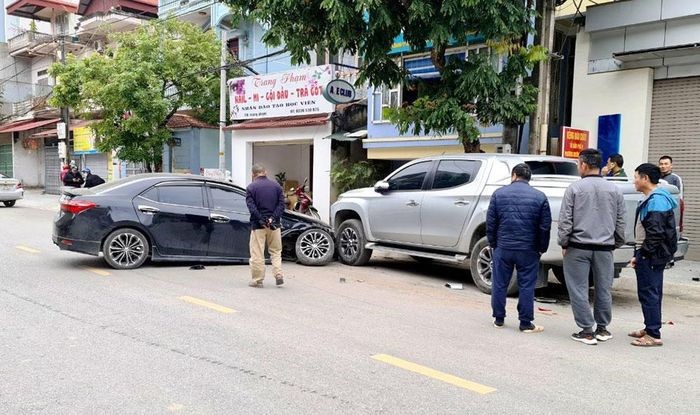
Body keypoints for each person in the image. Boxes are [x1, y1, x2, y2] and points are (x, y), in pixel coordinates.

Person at [558, 148, 626, 345]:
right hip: (605, 248)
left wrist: (564, 242)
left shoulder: (574, 189)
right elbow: (621, 221)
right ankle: (602, 328)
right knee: (604, 288)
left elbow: (565, 221)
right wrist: (615, 243)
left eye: (579, 164)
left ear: (584, 165)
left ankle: (587, 330)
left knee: (578, 289)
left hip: (578, 247)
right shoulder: (614, 190)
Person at [487, 163, 551, 333]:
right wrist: (541, 248)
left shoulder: (498, 194)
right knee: (526, 286)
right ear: (529, 177)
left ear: (514, 175)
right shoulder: (540, 197)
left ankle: (499, 319)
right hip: (529, 249)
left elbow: (491, 224)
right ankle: (525, 322)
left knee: (499, 284)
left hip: (503, 246)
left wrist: (494, 243)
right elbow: (545, 227)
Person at [628, 163, 677, 347]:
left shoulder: (657, 200)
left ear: (645, 178)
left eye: (636, 177)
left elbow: (655, 233)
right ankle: (650, 327)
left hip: (651, 255)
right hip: (650, 253)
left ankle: (653, 334)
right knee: (651, 292)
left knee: (649, 293)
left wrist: (643, 254)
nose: (634, 181)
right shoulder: (654, 197)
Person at [246, 164, 285, 288]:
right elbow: (281, 205)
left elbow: (252, 207)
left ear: (253, 174)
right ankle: (278, 275)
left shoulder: (251, 187)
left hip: (258, 226)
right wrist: (272, 218)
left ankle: (257, 280)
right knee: (276, 251)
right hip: (275, 225)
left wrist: (262, 220)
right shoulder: (276, 186)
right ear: (265, 172)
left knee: (257, 252)